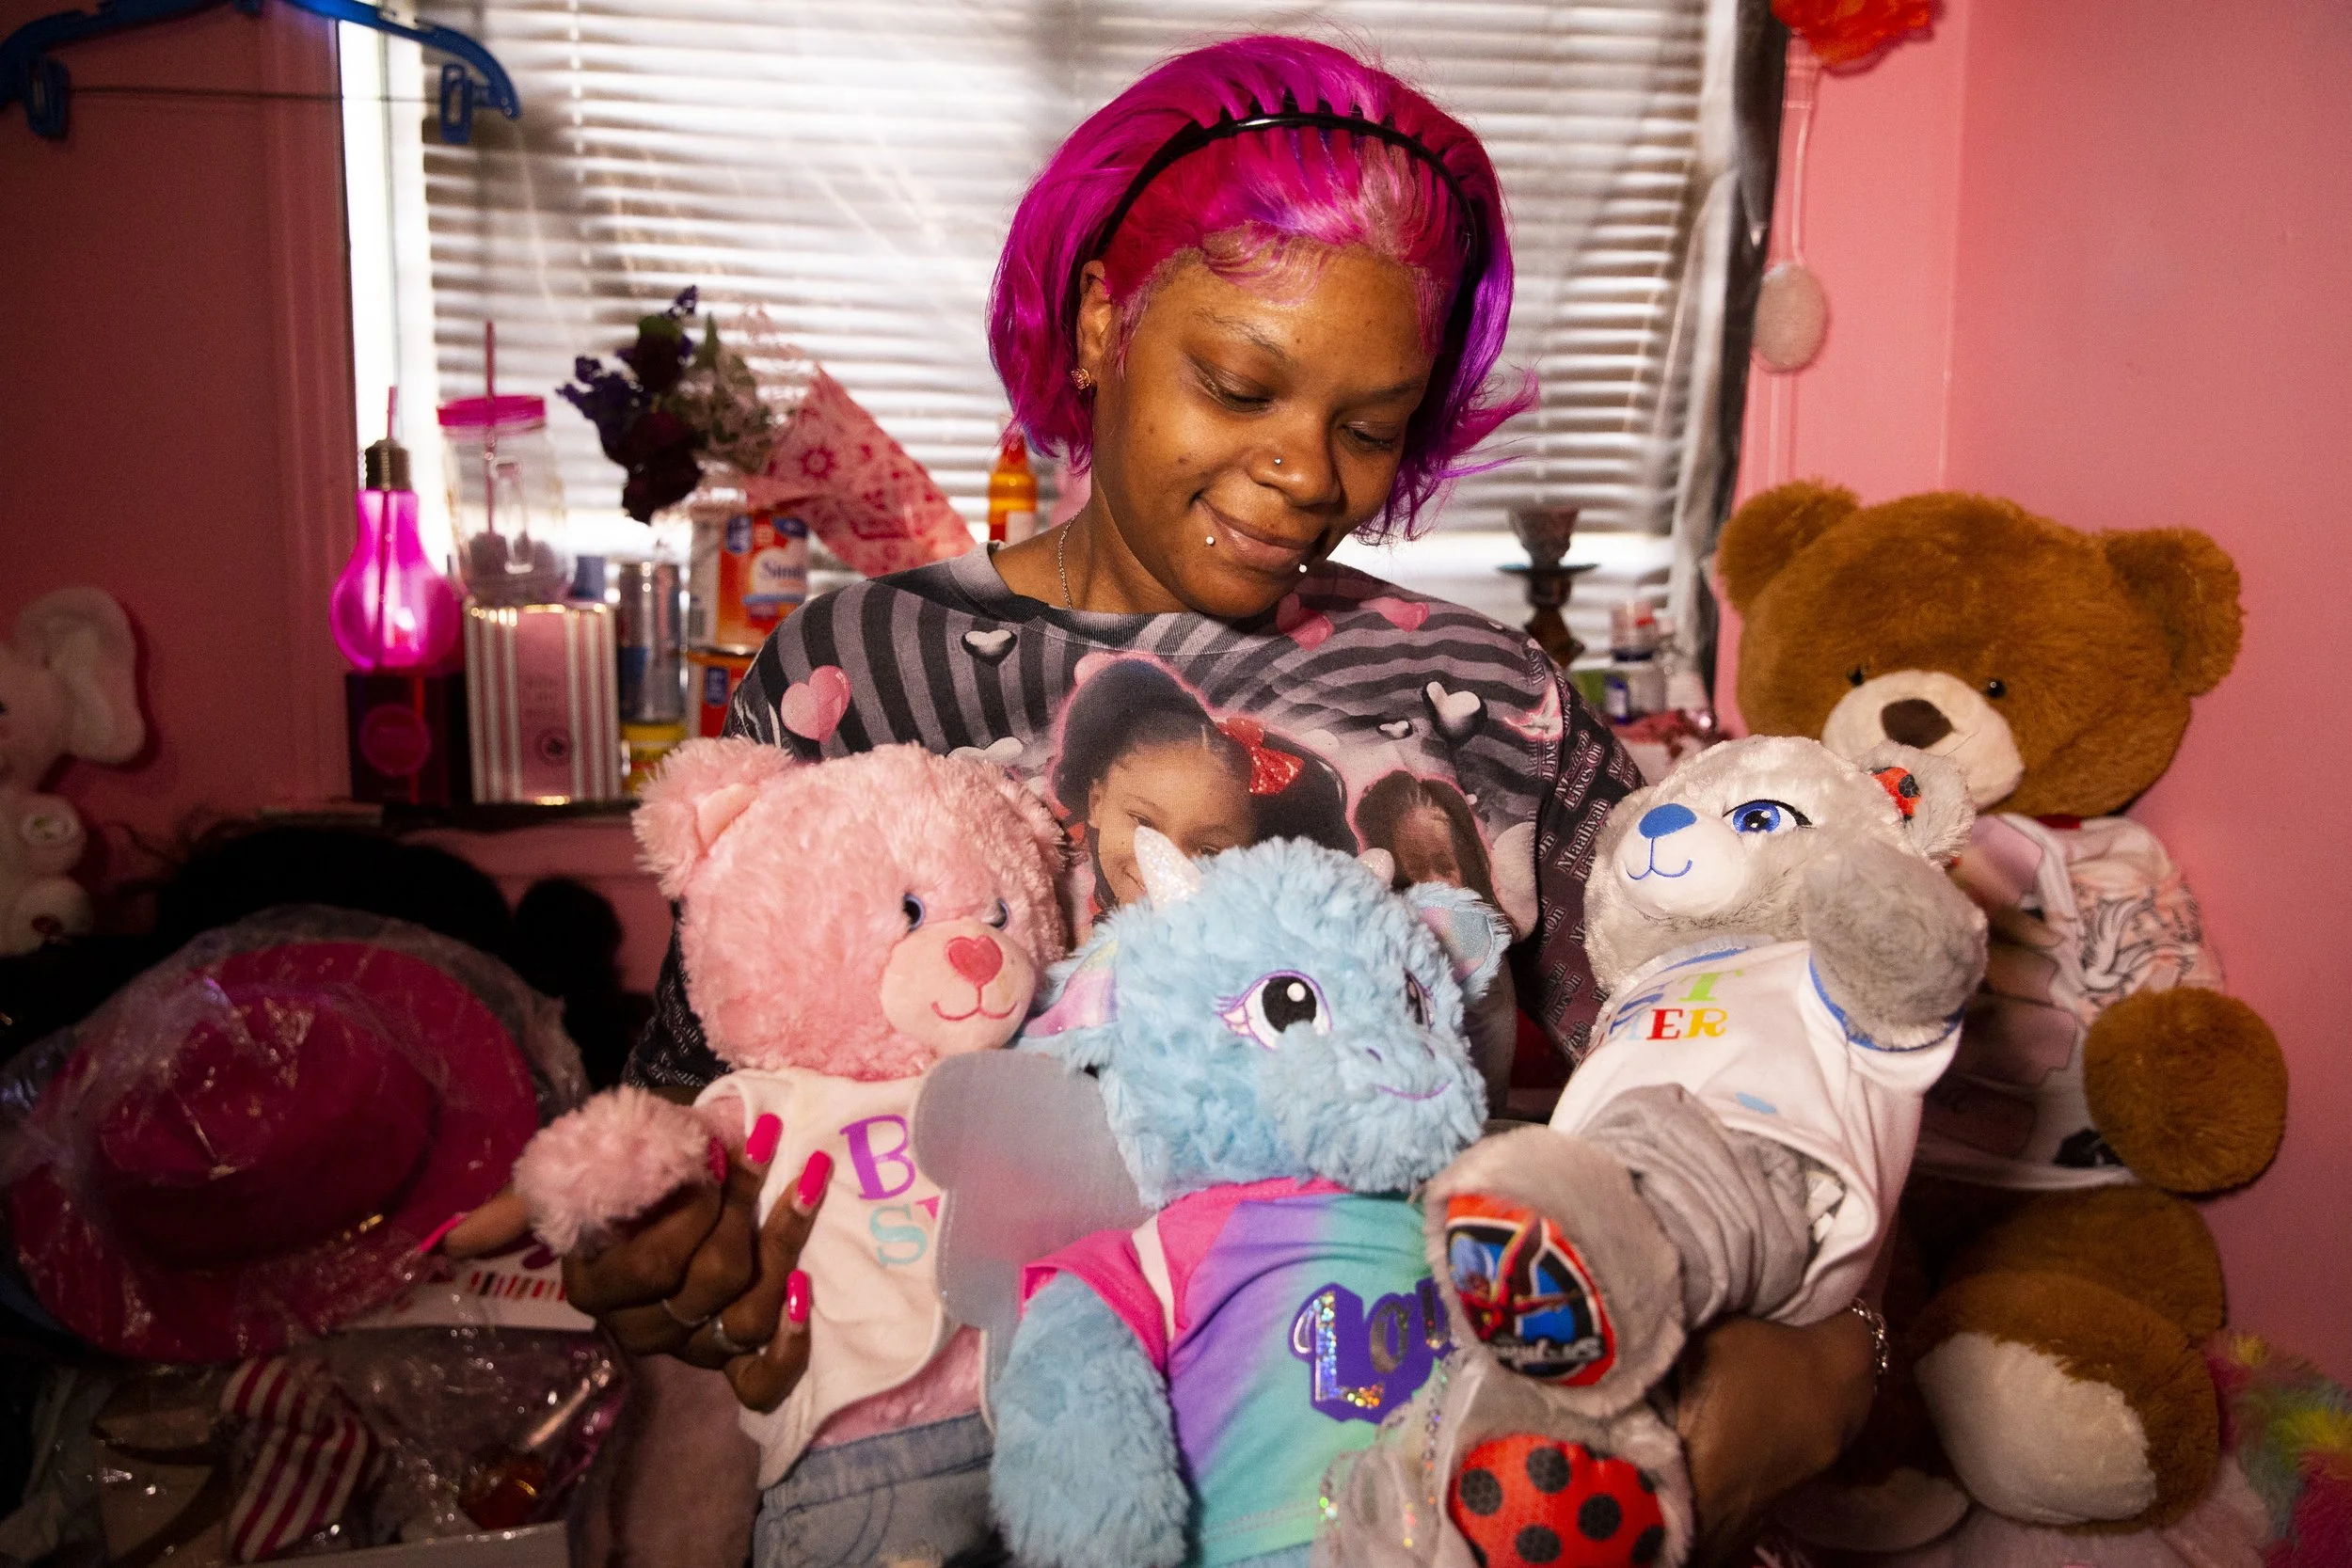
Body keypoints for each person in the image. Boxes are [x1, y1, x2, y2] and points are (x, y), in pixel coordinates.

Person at [450, 33, 1878, 1567]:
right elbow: (699, 1099)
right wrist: (663, 1244)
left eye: (1370, 422)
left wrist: (1831, 1360)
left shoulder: (1489, 700)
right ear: (1097, 324)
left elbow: (1748, 1093)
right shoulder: (860, 672)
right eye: (1240, 382)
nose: (1305, 474)